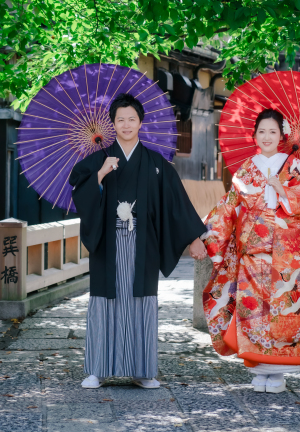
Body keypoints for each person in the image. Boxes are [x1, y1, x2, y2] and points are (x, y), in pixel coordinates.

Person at [69, 93, 208, 389]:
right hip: (108, 242)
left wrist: (194, 237)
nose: (127, 124)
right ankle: (97, 369)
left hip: (142, 244)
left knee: (140, 301)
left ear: (141, 123)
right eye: (121, 119)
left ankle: (143, 370)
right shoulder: (98, 160)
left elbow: (175, 202)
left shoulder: (155, 163)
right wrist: (100, 174)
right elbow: (79, 190)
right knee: (104, 301)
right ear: (113, 124)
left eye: (132, 119)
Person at [199, 109, 300, 393]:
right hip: (252, 253)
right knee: (252, 312)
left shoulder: (295, 166)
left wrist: (283, 189)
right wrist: (207, 232)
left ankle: (277, 374)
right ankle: (257, 366)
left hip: (284, 258)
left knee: (281, 311)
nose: (266, 137)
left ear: (282, 136)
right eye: (262, 131)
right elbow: (229, 205)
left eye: (273, 132)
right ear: (254, 135)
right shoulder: (246, 168)